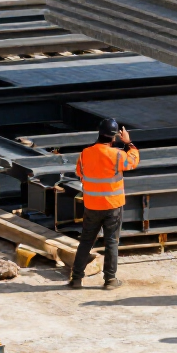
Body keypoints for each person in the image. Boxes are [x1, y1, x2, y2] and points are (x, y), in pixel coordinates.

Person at [68, 118, 139, 290]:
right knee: (111, 242)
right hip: (113, 206)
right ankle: (110, 280)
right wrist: (129, 143)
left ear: (99, 133)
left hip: (92, 205)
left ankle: (76, 279)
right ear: (114, 137)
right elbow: (133, 161)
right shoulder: (117, 155)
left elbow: (79, 172)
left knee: (86, 241)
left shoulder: (85, 153)